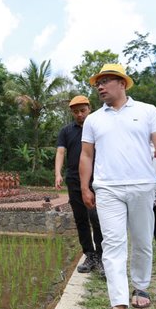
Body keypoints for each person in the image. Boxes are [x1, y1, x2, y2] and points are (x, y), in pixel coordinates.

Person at [79, 64, 156, 309]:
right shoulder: (93, 119)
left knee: (142, 239)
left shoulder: (147, 111)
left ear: (122, 83)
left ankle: (141, 286)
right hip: (107, 188)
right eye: (97, 83)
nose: (100, 86)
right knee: (112, 244)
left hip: (142, 186)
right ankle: (119, 305)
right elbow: (86, 155)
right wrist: (85, 187)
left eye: (106, 81)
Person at [55, 95, 104, 274]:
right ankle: (89, 255)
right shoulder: (66, 131)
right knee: (81, 219)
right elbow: (61, 152)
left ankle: (101, 256)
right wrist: (58, 173)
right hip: (74, 180)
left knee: (97, 218)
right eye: (76, 112)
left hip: (96, 179)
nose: (80, 114)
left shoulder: (98, 127)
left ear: (89, 108)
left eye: (82, 110)